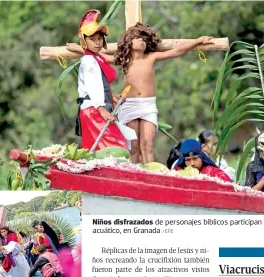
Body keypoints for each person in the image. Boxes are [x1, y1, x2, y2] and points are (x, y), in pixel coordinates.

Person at [112, 23, 214, 164]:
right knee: (133, 147)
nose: (141, 40)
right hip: (129, 104)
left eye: (143, 39)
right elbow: (98, 57)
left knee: (146, 145)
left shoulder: (151, 57)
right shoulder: (125, 61)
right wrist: (81, 49)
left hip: (147, 105)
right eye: (137, 38)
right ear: (129, 41)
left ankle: (151, 176)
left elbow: (176, 52)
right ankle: (134, 174)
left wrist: (197, 41)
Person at [68, 9, 129, 151]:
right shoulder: (89, 61)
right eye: (92, 39)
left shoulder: (96, 59)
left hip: (95, 109)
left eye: (99, 39)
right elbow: (92, 86)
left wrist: (111, 97)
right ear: (84, 41)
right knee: (117, 148)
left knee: (98, 151)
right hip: (94, 111)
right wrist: (102, 109)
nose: (97, 43)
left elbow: (99, 86)